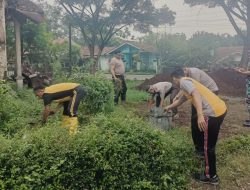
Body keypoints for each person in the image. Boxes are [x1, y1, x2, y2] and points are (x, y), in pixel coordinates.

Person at [165, 69, 227, 185]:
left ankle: (211, 176)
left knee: (207, 146)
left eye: (173, 81)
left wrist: (200, 115)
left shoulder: (183, 81)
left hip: (212, 113)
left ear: (174, 78)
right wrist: (168, 107)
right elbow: (180, 101)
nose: (174, 83)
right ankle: (208, 168)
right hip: (220, 109)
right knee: (209, 145)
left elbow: (196, 94)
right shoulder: (188, 83)